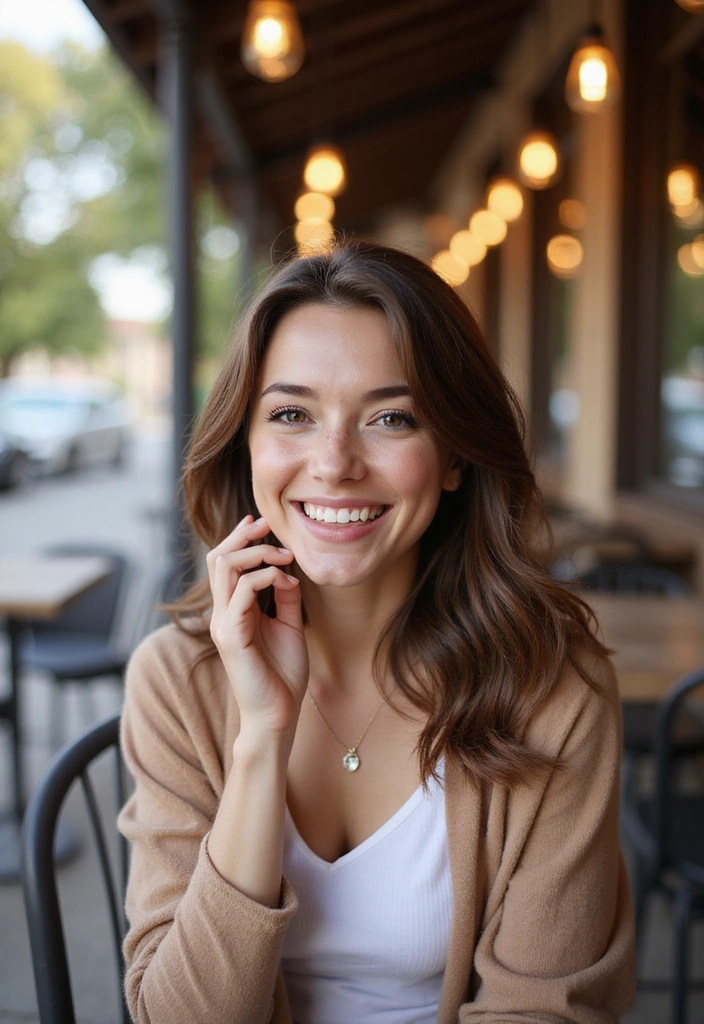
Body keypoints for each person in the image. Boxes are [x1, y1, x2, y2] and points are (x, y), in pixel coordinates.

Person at [118, 240, 635, 1024]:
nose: (334, 463)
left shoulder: (553, 687)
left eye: (391, 418)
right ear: (246, 444)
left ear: (455, 454)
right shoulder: (175, 681)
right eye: (291, 414)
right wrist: (261, 734)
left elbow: (544, 1010)